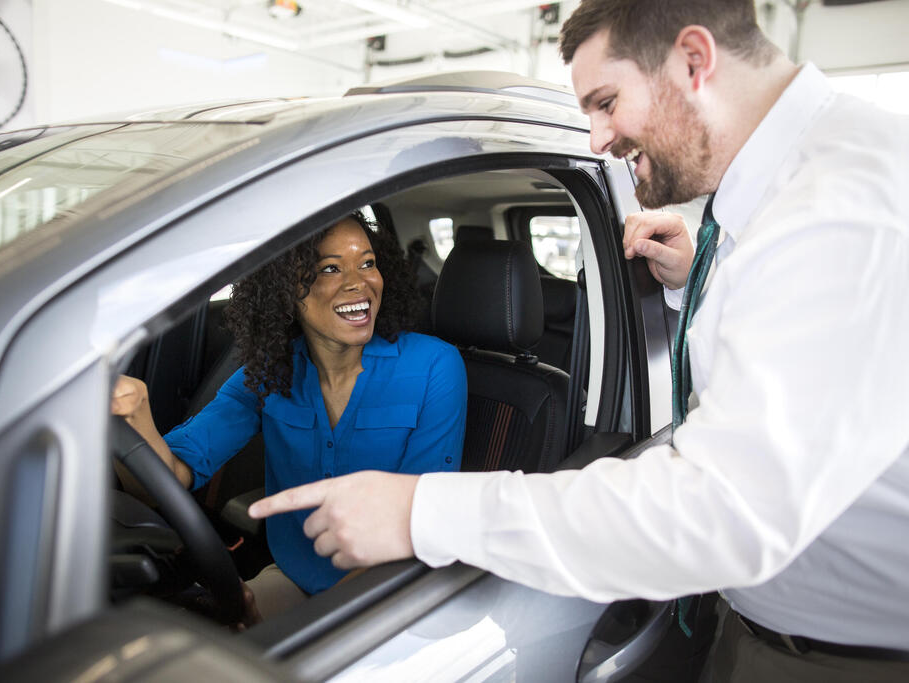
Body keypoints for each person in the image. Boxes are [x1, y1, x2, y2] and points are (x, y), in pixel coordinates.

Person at [248, 1, 909, 680]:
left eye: (606, 102)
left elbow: (721, 512)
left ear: (693, 60)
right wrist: (700, 280)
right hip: (766, 627)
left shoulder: (837, 210)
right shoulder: (789, 197)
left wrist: (421, 512)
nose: (596, 139)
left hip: (842, 659)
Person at [112, 212, 467, 620]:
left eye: (367, 263)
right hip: (295, 579)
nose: (359, 282)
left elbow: (418, 525)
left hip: (394, 585)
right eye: (330, 268)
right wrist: (133, 417)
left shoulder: (434, 366)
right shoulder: (267, 373)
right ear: (285, 289)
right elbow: (167, 479)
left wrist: (301, 629)